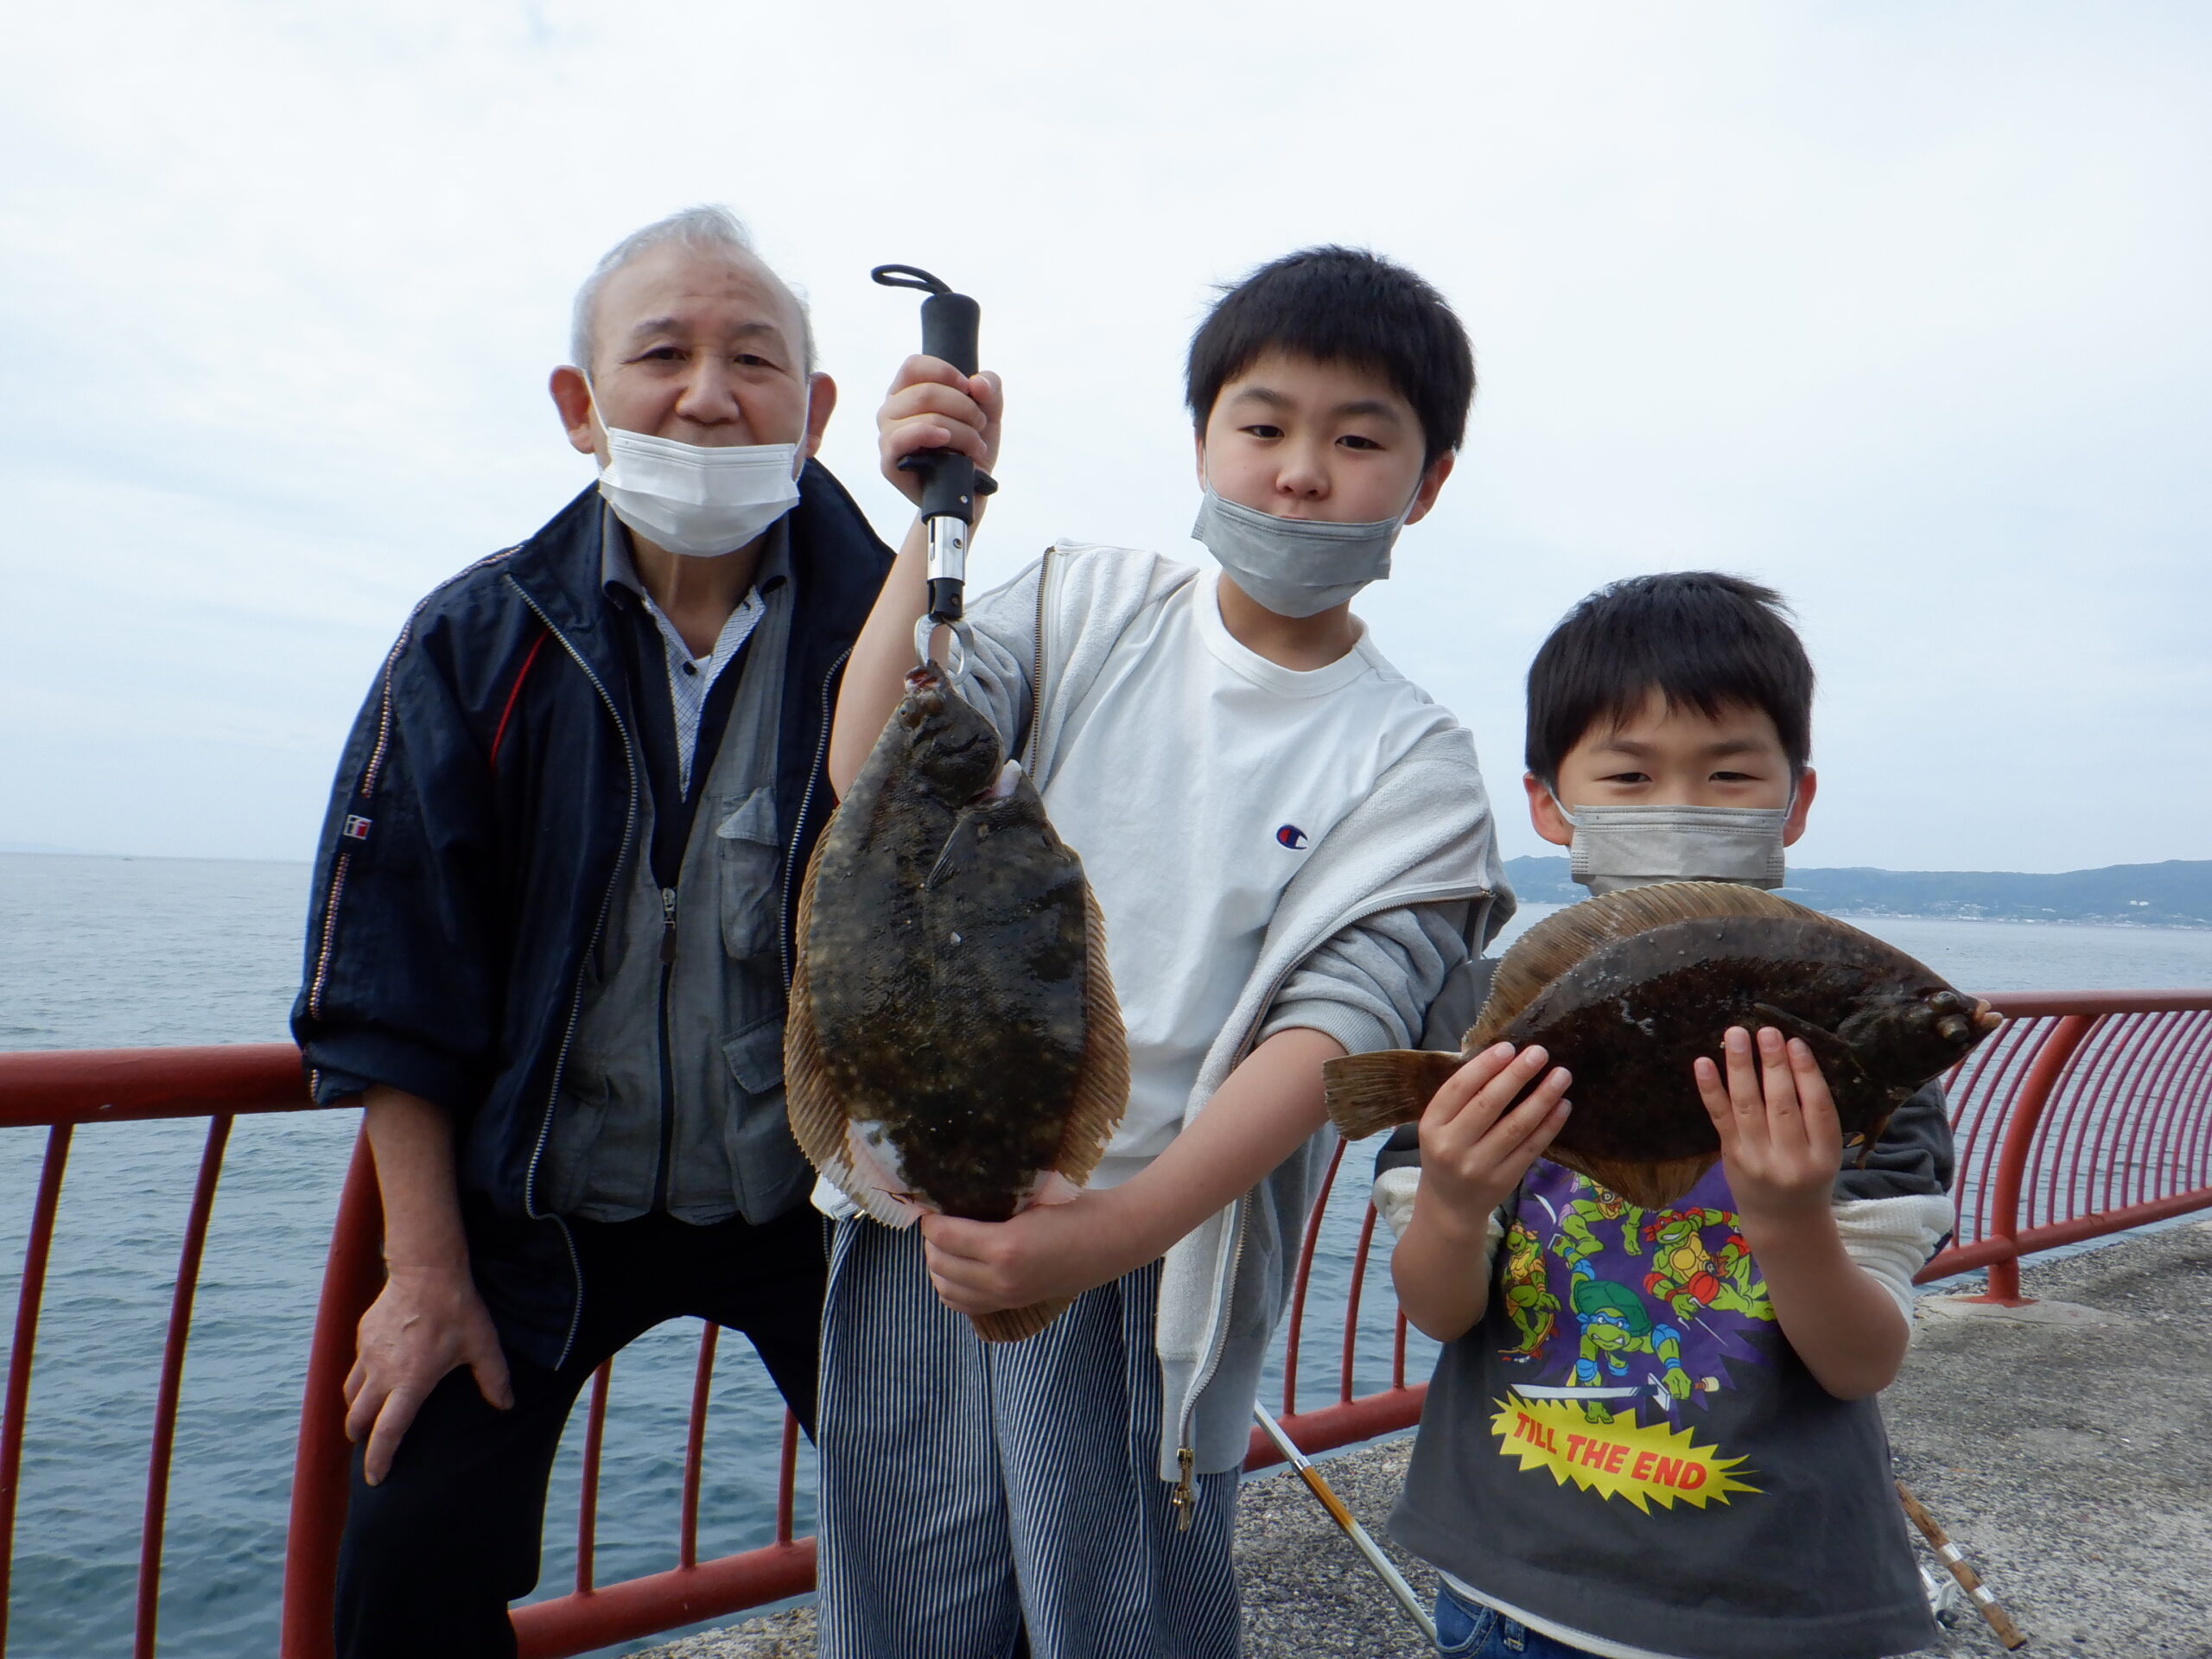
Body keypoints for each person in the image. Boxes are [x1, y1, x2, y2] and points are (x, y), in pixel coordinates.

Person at [808, 246, 1513, 1657]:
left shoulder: (1419, 766)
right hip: (916, 1208)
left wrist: (1115, 1232)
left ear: (1429, 482)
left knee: (1119, 1624)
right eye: (1262, 426)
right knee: (905, 1613)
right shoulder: (1080, 602)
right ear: (1201, 442)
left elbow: (1338, 1030)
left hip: (1147, 1254)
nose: (1301, 471)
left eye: (1358, 438)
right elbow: (873, 761)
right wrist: (929, 522)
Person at [290, 206, 893, 1659]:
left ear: (813, 412)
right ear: (580, 406)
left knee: (972, 1520)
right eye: (662, 353)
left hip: (824, 1209)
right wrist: (423, 1276)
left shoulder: (899, 635)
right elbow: (391, 977)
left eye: (754, 360)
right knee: (403, 1563)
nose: (706, 393)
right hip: (534, 1213)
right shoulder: (475, 640)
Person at [1374, 572, 1955, 1659]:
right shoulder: (1479, 1018)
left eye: (1729, 773)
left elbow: (1858, 1361)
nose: (1677, 804)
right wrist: (1454, 1197)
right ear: (1549, 802)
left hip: (1779, 1602)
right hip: (1507, 1585)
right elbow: (1438, 1310)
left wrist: (1789, 1217)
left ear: (1795, 795)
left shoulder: (1861, 1047)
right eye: (1628, 775)